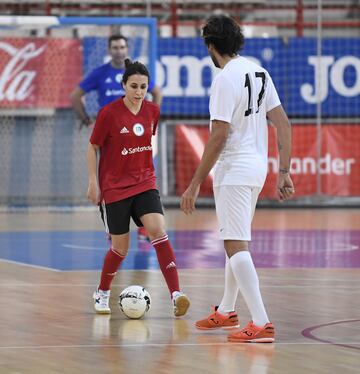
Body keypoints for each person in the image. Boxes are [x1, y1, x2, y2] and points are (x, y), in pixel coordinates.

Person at [180, 15, 294, 343]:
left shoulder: (225, 79)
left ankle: (261, 322)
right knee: (236, 239)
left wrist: (194, 183)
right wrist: (284, 171)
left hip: (234, 170)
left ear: (210, 46)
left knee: (235, 243)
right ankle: (228, 310)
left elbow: (218, 135)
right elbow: (283, 123)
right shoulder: (258, 70)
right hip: (257, 167)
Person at [87, 58, 190, 318]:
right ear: (123, 85)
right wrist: (93, 181)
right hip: (114, 188)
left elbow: (145, 143)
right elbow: (93, 147)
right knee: (120, 248)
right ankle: (102, 292)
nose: (139, 92)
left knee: (157, 229)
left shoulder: (152, 111)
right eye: (133, 86)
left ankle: (176, 294)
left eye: (143, 87)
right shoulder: (108, 114)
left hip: (144, 182)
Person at [72, 34, 161, 241]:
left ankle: (145, 226)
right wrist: (87, 120)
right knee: (111, 173)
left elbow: (157, 92)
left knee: (143, 169)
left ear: (127, 49)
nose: (119, 50)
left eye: (122, 47)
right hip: (112, 134)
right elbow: (75, 95)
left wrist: (150, 118)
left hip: (137, 132)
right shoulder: (100, 73)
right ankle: (115, 224)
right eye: (115, 47)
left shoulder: (136, 74)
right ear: (109, 50)